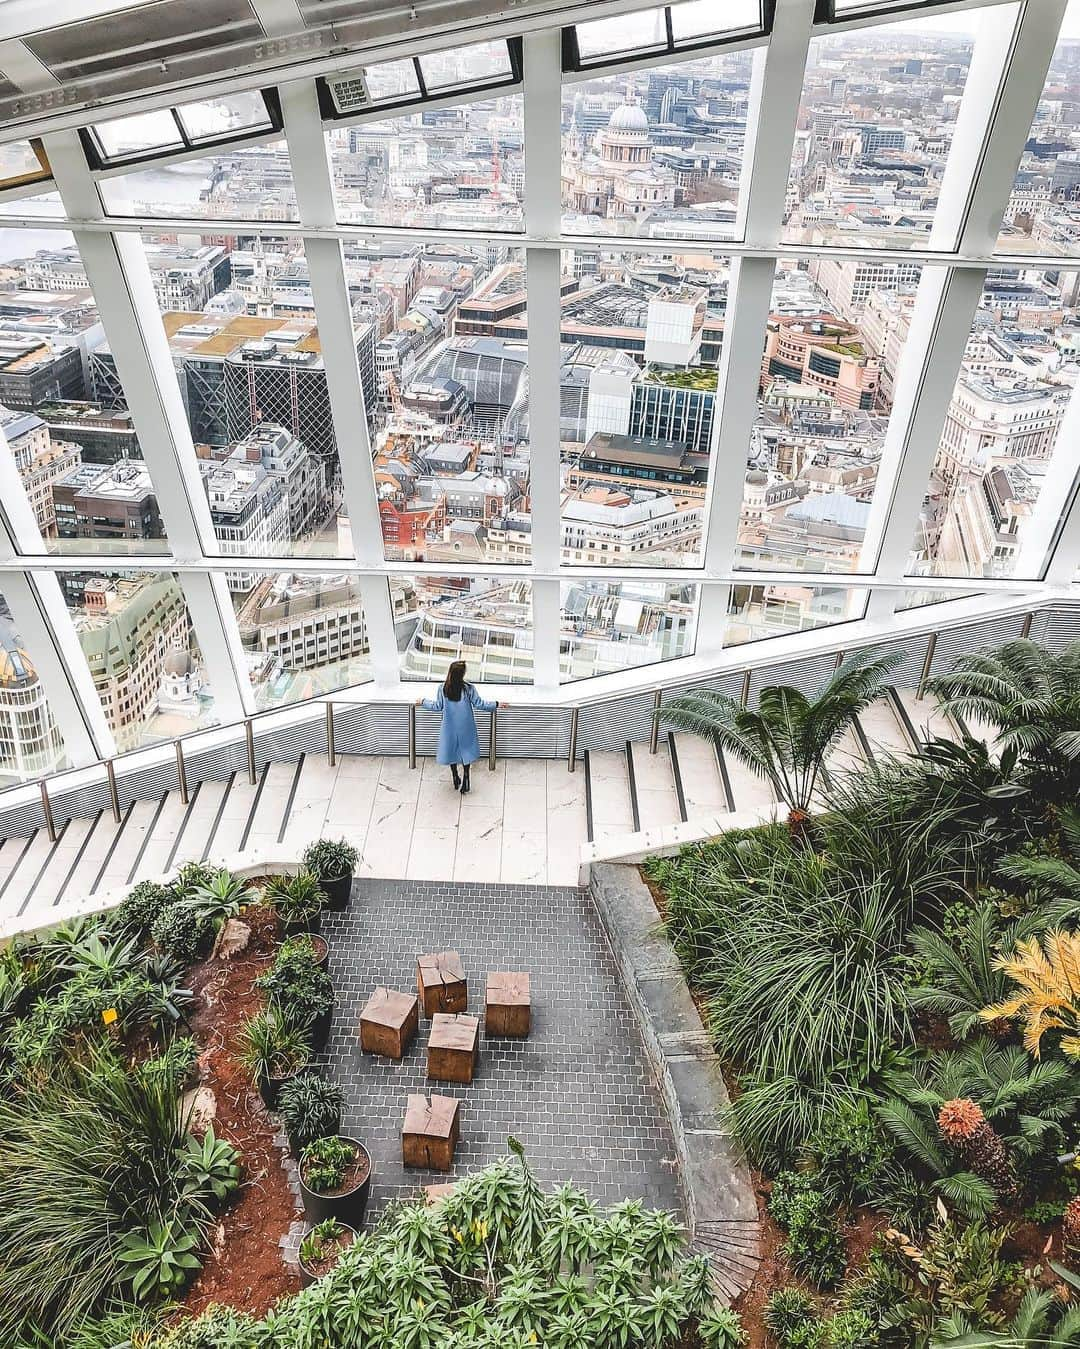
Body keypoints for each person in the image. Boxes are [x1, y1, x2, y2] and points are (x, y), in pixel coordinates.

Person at [416, 660, 508, 794]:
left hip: (449, 726)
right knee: (466, 750)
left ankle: (455, 776)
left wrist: (423, 701)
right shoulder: (468, 688)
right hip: (466, 725)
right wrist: (497, 703)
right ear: (461, 674)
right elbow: (480, 704)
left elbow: (438, 706)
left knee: (451, 750)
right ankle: (466, 777)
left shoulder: (443, 688)